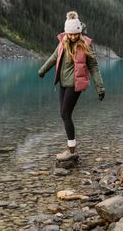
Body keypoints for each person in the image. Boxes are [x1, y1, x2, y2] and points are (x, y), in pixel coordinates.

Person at [38, 11, 105, 161]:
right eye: (70, 34)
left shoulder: (86, 45)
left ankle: (72, 149)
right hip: (63, 83)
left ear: (79, 32)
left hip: (75, 84)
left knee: (65, 114)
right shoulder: (63, 42)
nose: (73, 37)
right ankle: (71, 147)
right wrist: (42, 70)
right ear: (66, 33)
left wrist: (100, 88)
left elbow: (94, 66)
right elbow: (54, 57)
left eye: (75, 34)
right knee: (64, 114)